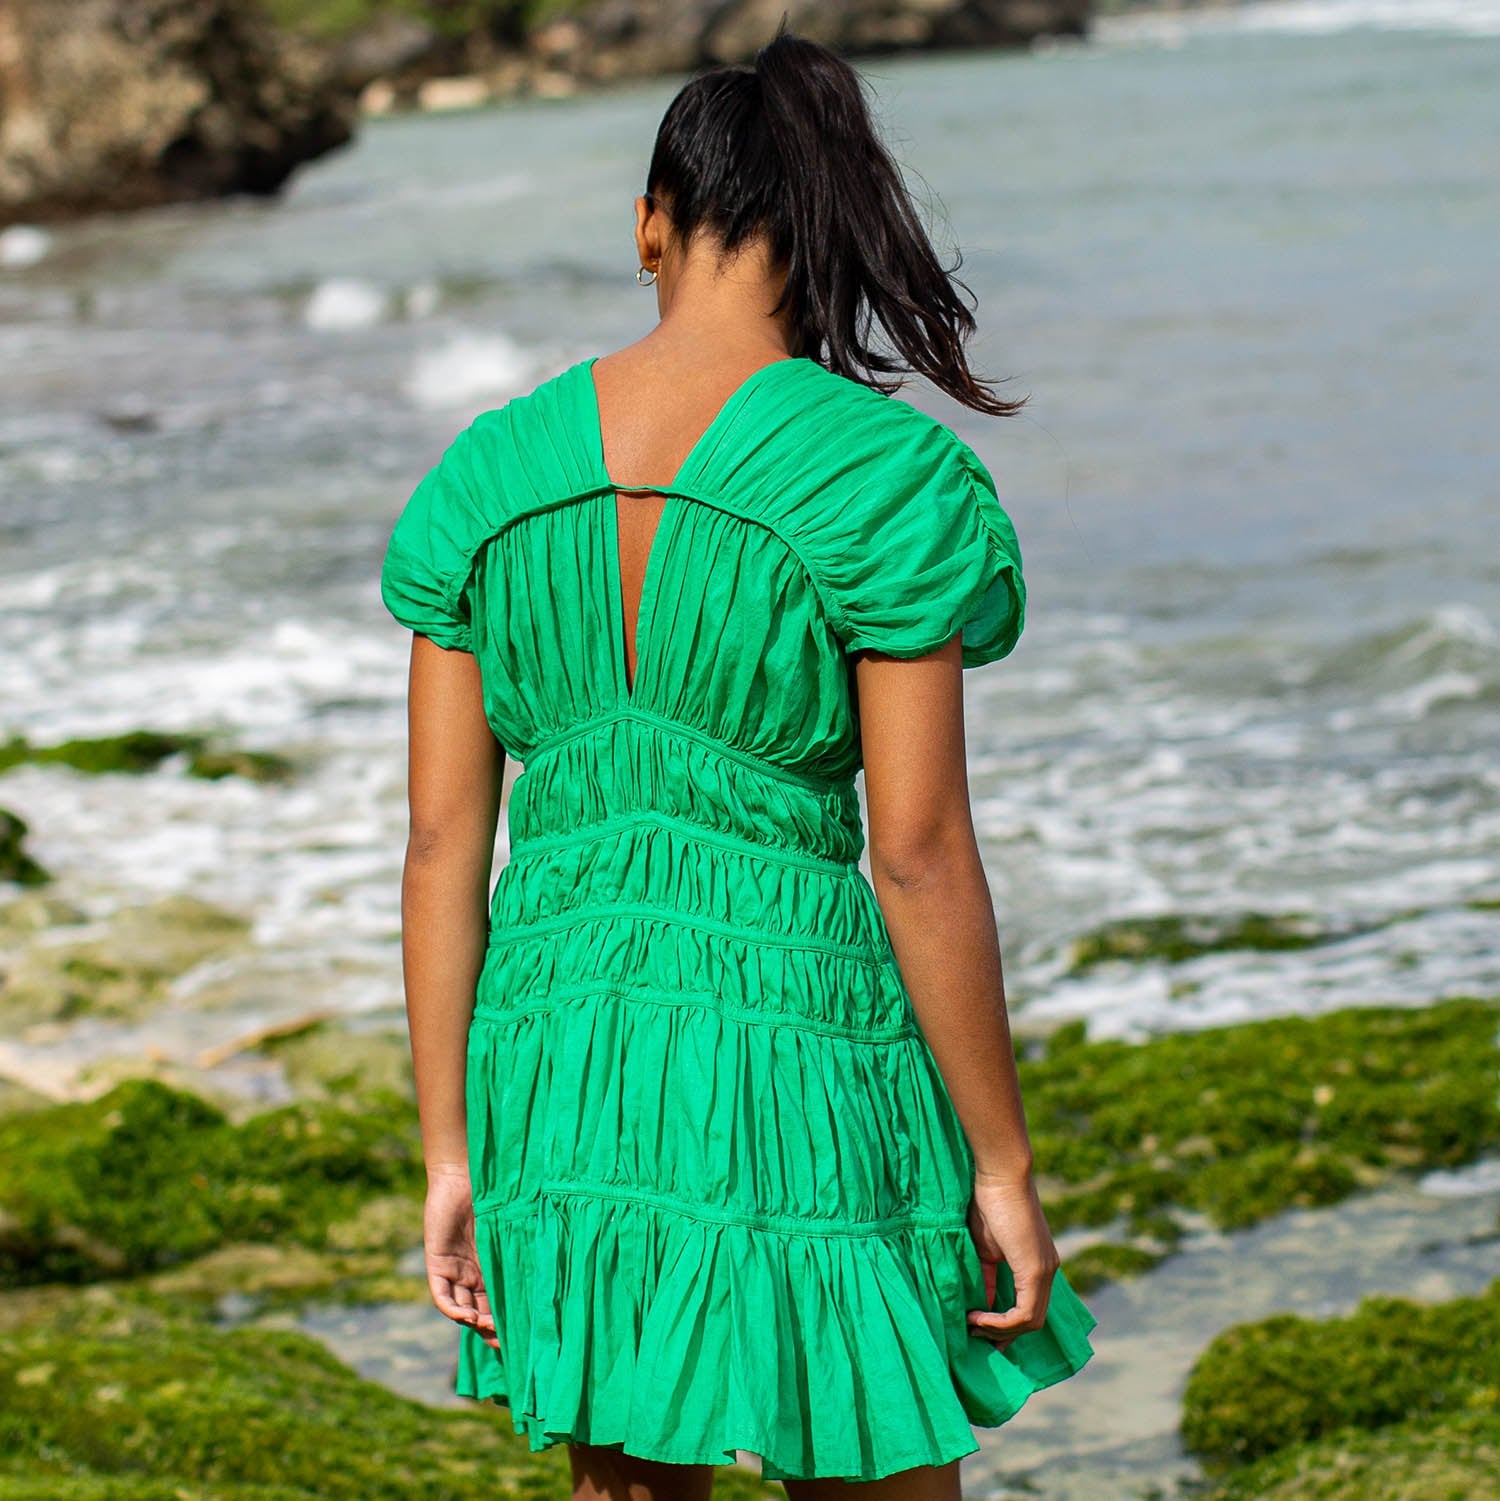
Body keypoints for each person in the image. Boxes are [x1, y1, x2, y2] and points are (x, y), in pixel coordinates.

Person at [380, 24, 1097, 1501]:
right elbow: (916, 851)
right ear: (831, 231)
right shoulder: (876, 481)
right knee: (873, 1453)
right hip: (794, 1027)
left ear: (651, 221)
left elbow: (446, 846)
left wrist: (450, 1149)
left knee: (629, 1486)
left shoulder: (487, 478)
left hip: (561, 1036)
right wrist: (1002, 1166)